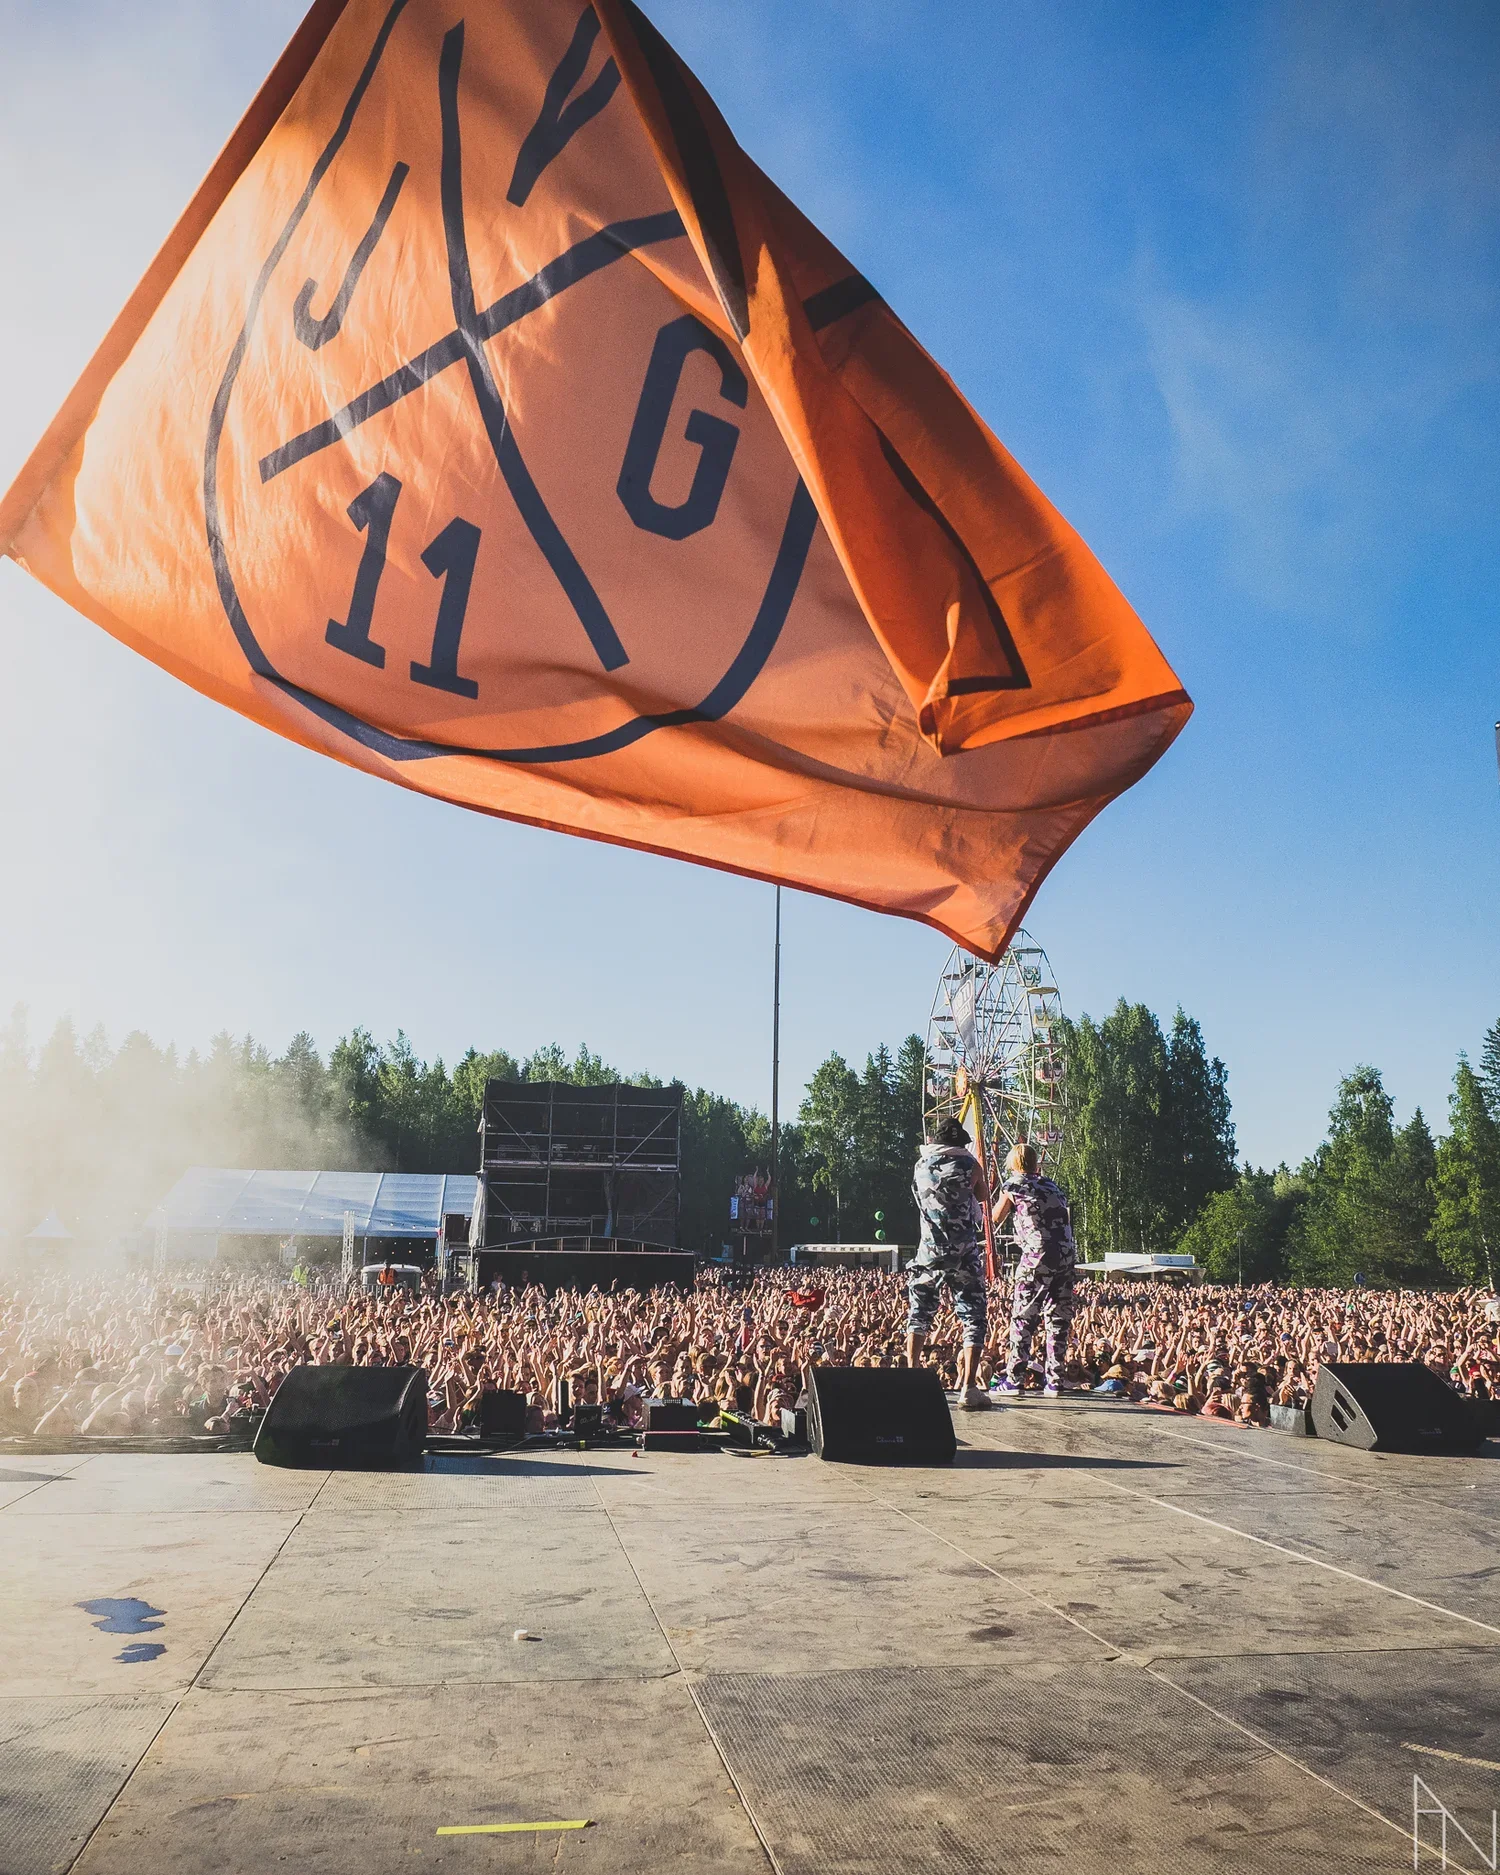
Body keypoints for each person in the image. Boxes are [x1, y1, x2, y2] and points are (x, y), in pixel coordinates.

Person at [906, 1116, 989, 1409]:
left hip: (929, 1251)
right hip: (963, 1251)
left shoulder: (920, 1165)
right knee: (973, 1316)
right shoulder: (970, 1165)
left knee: (919, 1314)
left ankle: (912, 1378)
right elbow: (983, 1196)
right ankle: (969, 1387)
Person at [991, 1141, 1077, 1398]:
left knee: (1023, 1317)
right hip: (1065, 1254)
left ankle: (1014, 1379)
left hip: (1037, 1256)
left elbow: (995, 1217)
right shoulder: (1053, 1186)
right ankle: (1055, 1380)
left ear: (1013, 1163)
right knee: (1058, 1317)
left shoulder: (1013, 1185)